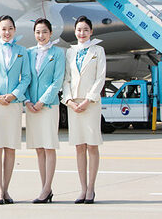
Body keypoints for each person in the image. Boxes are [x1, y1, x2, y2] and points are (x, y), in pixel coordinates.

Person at [0, 15, 31, 205]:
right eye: (3, 28)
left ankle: (6, 189)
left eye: (10, 28)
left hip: (13, 104)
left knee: (10, 147)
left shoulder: (22, 51)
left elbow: (26, 77)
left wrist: (14, 95)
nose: (7, 32)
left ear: (15, 30)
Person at [62, 16, 106, 204]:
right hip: (74, 104)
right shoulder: (70, 52)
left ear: (91, 32)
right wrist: (69, 100)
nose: (82, 33)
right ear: (75, 31)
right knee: (79, 147)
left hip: (91, 104)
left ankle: (91, 188)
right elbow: (66, 79)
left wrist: (88, 99)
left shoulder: (98, 51)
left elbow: (100, 77)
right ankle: (82, 188)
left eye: (85, 30)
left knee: (92, 145)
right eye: (79, 30)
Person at [24, 18, 65, 204]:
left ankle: (47, 188)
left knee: (49, 147)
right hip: (32, 106)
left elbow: (57, 81)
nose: (41, 36)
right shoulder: (28, 53)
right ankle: (44, 189)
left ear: (51, 33)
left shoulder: (58, 53)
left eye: (44, 32)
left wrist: (42, 101)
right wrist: (26, 100)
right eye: (38, 32)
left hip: (48, 106)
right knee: (39, 149)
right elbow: (24, 78)